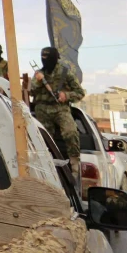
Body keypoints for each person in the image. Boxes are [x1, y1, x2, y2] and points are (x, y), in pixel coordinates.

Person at [30, 47, 84, 188]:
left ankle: (74, 165)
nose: (45, 60)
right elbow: (31, 90)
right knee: (42, 139)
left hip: (60, 108)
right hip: (42, 109)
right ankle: (44, 168)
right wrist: (38, 80)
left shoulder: (65, 72)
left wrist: (66, 95)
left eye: (48, 57)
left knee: (71, 132)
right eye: (43, 57)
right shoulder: (39, 73)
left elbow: (80, 92)